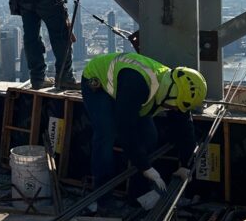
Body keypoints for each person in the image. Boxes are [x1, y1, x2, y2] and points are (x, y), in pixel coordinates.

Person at [81, 52, 207, 206]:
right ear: (170, 92)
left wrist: (186, 165)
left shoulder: (175, 88)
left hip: (129, 92)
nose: (173, 110)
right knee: (106, 134)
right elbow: (125, 129)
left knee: (149, 137)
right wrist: (145, 167)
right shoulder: (138, 84)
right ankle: (102, 198)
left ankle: (137, 194)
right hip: (97, 81)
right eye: (174, 106)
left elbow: (185, 126)